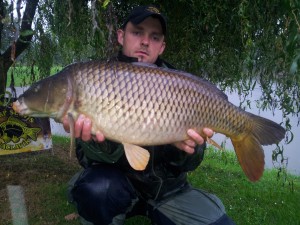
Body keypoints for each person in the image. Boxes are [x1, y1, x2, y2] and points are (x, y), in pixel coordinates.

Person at [63, 5, 235, 225]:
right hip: (116, 186)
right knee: (96, 190)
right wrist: (101, 143)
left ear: (161, 47)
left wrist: (183, 150)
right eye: (137, 32)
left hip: (167, 191)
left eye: (154, 37)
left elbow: (189, 164)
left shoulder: (183, 88)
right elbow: (85, 157)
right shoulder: (94, 80)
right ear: (120, 36)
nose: (145, 41)